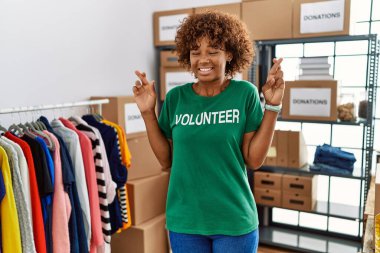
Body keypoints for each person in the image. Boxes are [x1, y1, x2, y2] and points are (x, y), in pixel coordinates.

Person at [133, 10, 284, 253]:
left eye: (213, 51)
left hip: (234, 221)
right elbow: (165, 160)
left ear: (230, 54)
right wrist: (148, 113)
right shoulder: (176, 98)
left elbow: (254, 160)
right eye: (196, 52)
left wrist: (273, 107)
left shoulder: (244, 94)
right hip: (185, 221)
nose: (203, 59)